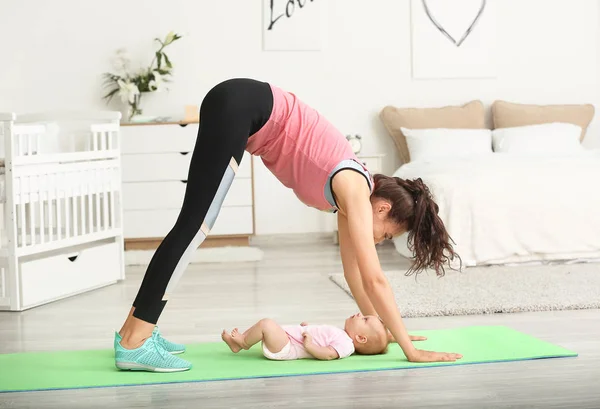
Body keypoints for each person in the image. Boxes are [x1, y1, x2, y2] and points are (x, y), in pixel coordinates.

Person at [114, 78, 462, 372]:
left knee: (191, 224)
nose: (380, 241)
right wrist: (409, 350)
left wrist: (382, 330)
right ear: (382, 208)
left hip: (238, 102)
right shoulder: (356, 190)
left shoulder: (351, 192)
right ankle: (134, 342)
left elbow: (355, 274)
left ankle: (135, 327)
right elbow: (375, 279)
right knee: (195, 226)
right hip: (241, 106)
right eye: (386, 234)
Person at [221, 313, 391, 361]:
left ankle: (243, 342)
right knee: (265, 324)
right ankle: (240, 341)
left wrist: (311, 347)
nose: (359, 314)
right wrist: (307, 328)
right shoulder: (342, 334)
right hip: (289, 340)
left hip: (287, 349)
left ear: (361, 338)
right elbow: (322, 337)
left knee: (266, 324)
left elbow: (330, 353)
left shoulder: (347, 344)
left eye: (365, 319)